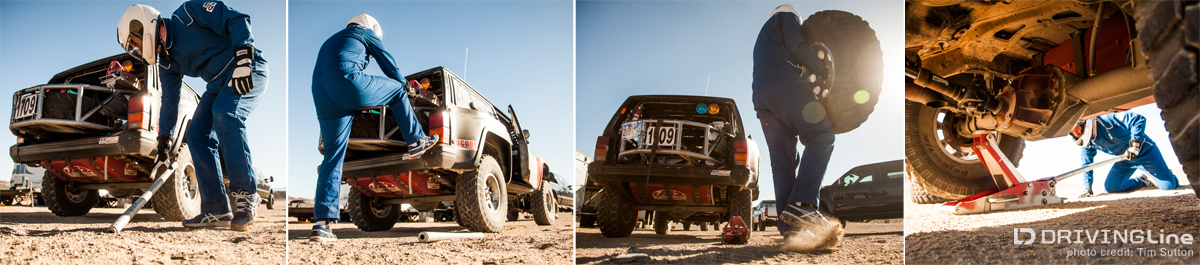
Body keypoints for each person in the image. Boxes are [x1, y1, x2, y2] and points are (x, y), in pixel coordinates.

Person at [117, 1, 267, 231]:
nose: (137, 50)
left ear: (142, 27)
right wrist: (164, 140)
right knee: (196, 134)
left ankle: (246, 196)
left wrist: (244, 57)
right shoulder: (166, 63)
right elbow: (170, 101)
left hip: (246, 67)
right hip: (217, 84)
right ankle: (216, 209)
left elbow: (237, 19)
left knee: (225, 113)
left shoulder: (188, 13)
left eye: (135, 43)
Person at [308, 14, 439, 243]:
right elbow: (388, 63)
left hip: (321, 94)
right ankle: (417, 141)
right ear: (373, 28)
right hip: (347, 82)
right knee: (396, 89)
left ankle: (321, 226)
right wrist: (406, 87)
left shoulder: (331, 40)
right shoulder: (364, 32)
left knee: (332, 158)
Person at [751, 4, 837, 238]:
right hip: (783, 80)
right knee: (821, 135)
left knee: (783, 163)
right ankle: (803, 204)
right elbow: (797, 46)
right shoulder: (786, 18)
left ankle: (790, 230)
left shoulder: (762, 37)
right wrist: (821, 69)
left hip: (761, 95)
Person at [1071, 112, 1179, 198]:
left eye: (1077, 129)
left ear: (1083, 122)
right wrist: (1087, 188)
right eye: (1072, 132)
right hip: (1125, 158)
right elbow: (1087, 164)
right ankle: (1142, 181)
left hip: (1145, 153)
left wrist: (1135, 145)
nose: (1076, 133)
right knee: (1110, 188)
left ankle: (1168, 174)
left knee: (1168, 187)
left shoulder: (1105, 120)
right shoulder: (1086, 142)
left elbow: (1138, 119)